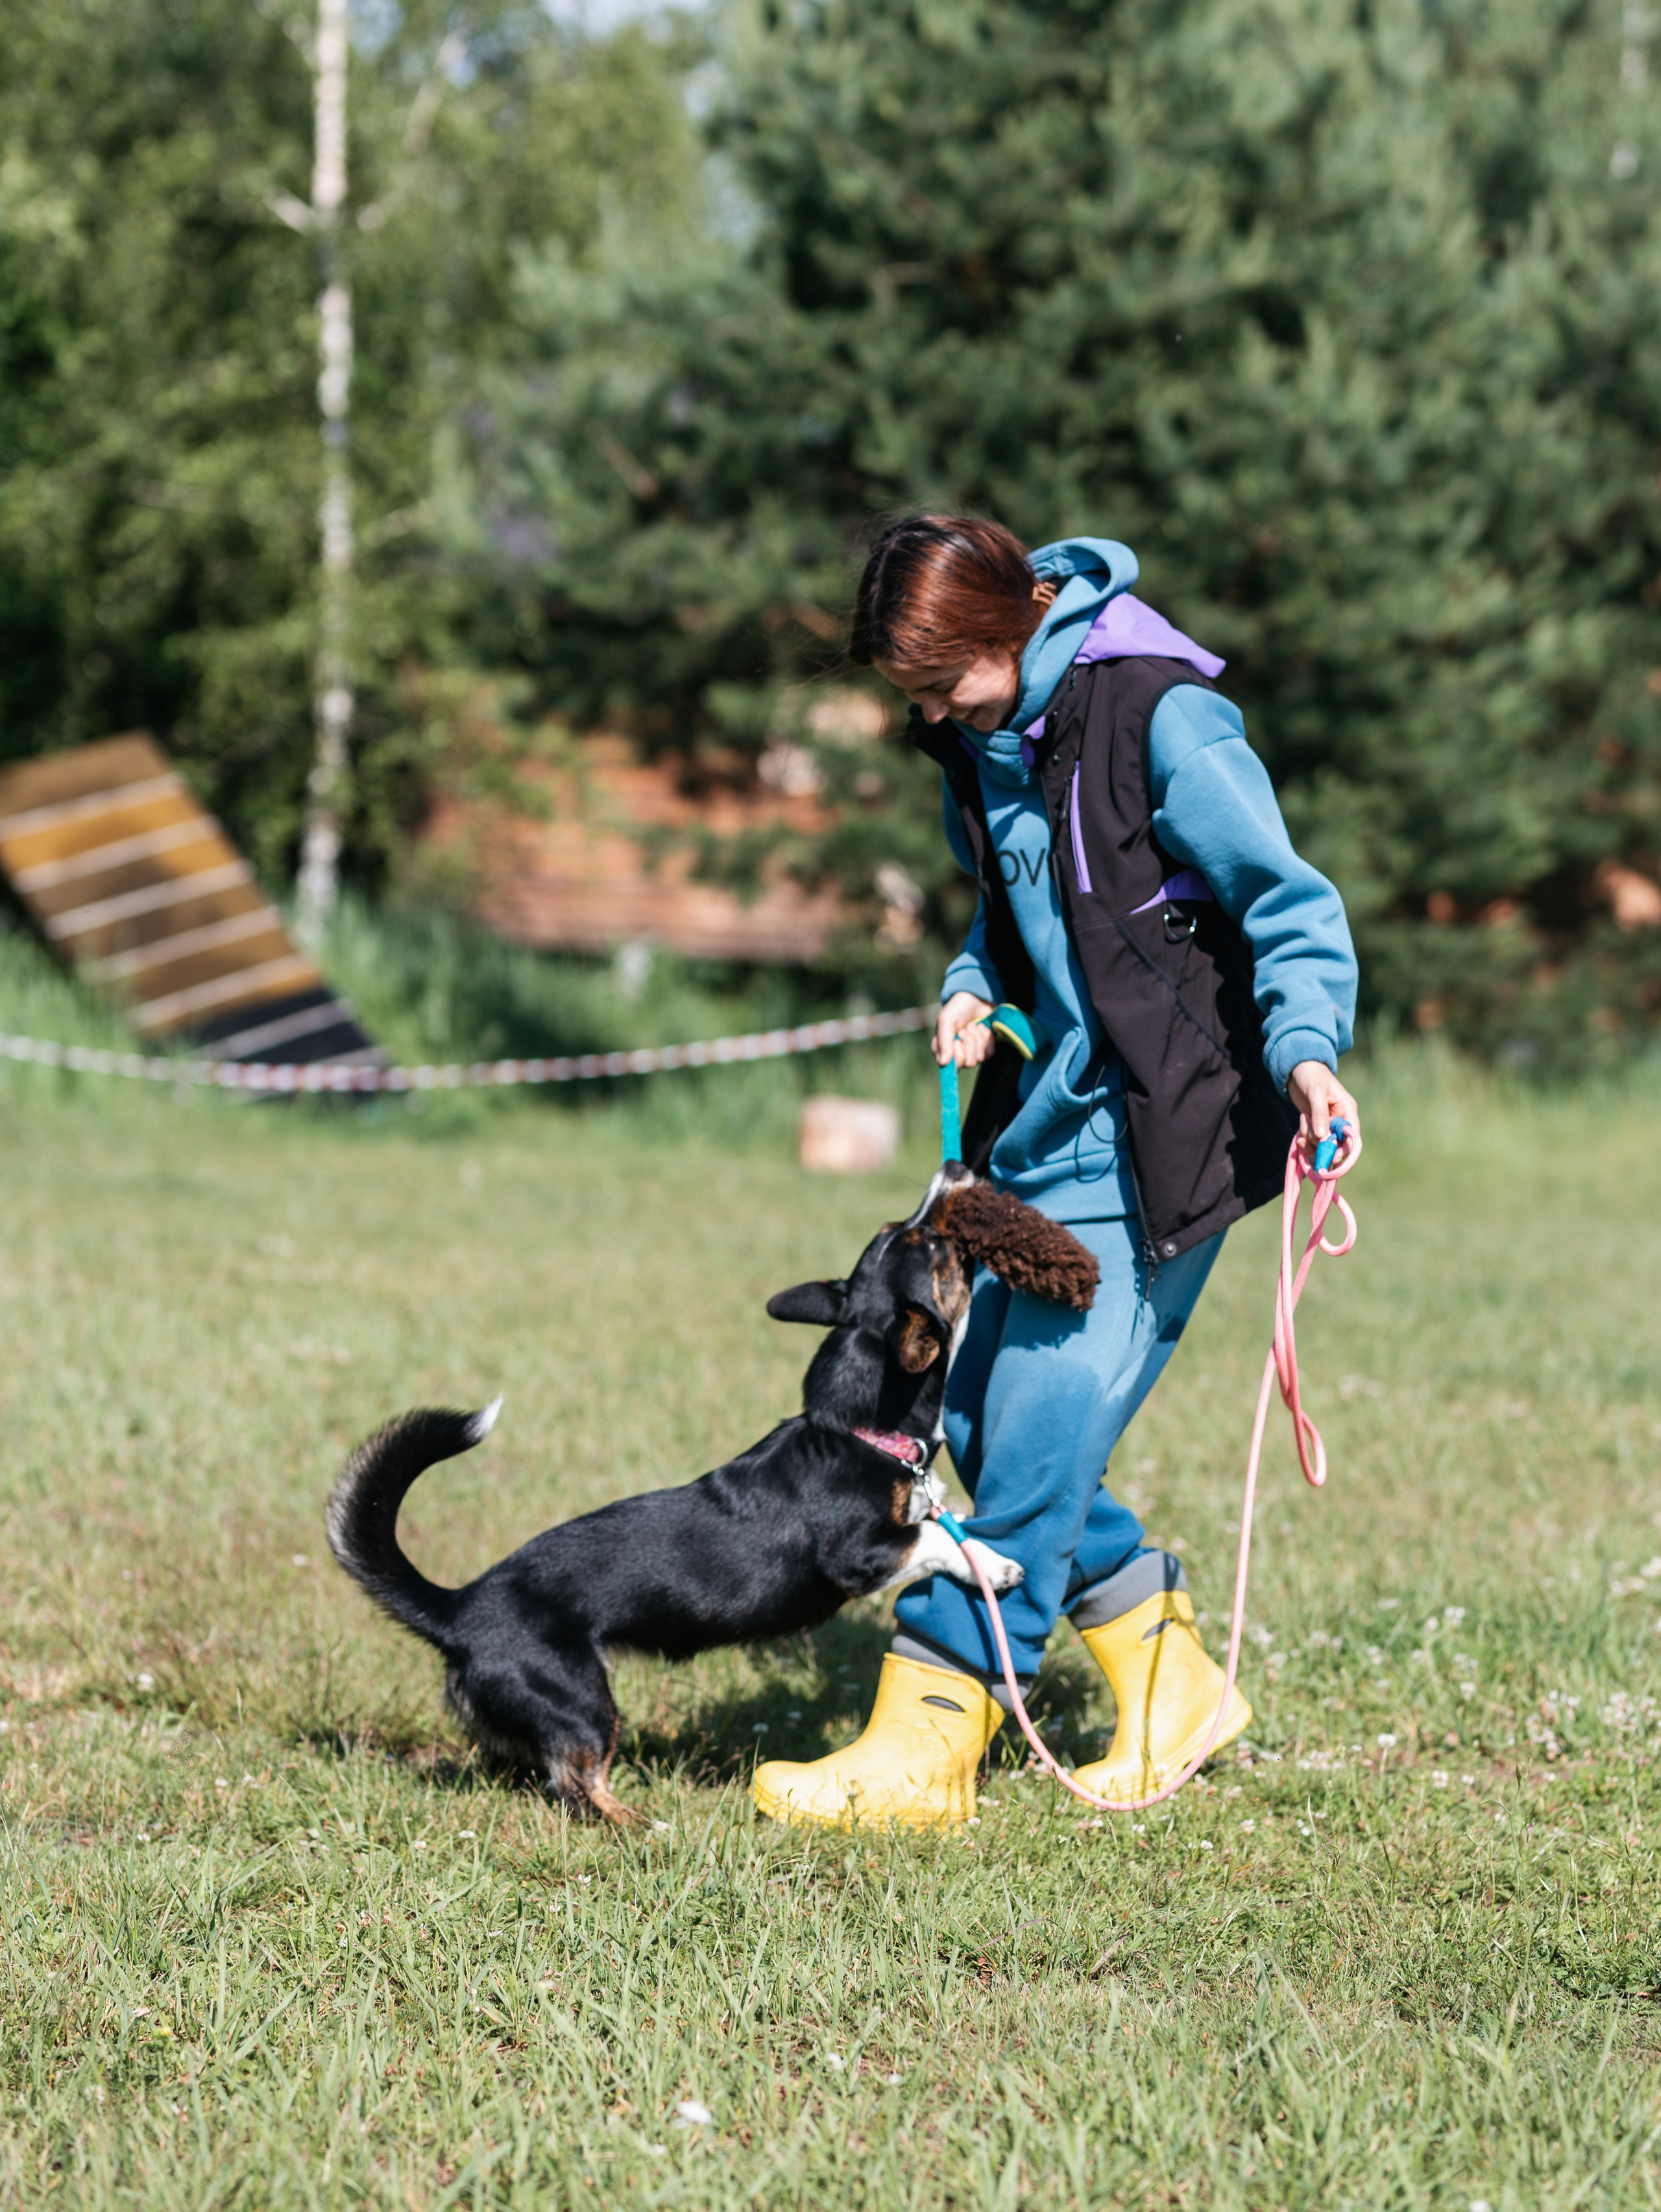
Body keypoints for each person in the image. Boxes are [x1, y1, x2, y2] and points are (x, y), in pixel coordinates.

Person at [753, 516, 1360, 1829]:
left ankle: (929, 1732)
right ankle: (1167, 1670)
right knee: (969, 1416)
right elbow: (1008, 914)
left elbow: (1285, 903)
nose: (929, 713)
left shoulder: (1158, 716)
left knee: (1034, 1420)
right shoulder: (974, 747)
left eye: (942, 681)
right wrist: (976, 983)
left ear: (1014, 621)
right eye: (908, 694)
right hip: (1034, 1132)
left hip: (1165, 1137)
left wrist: (1307, 1054)